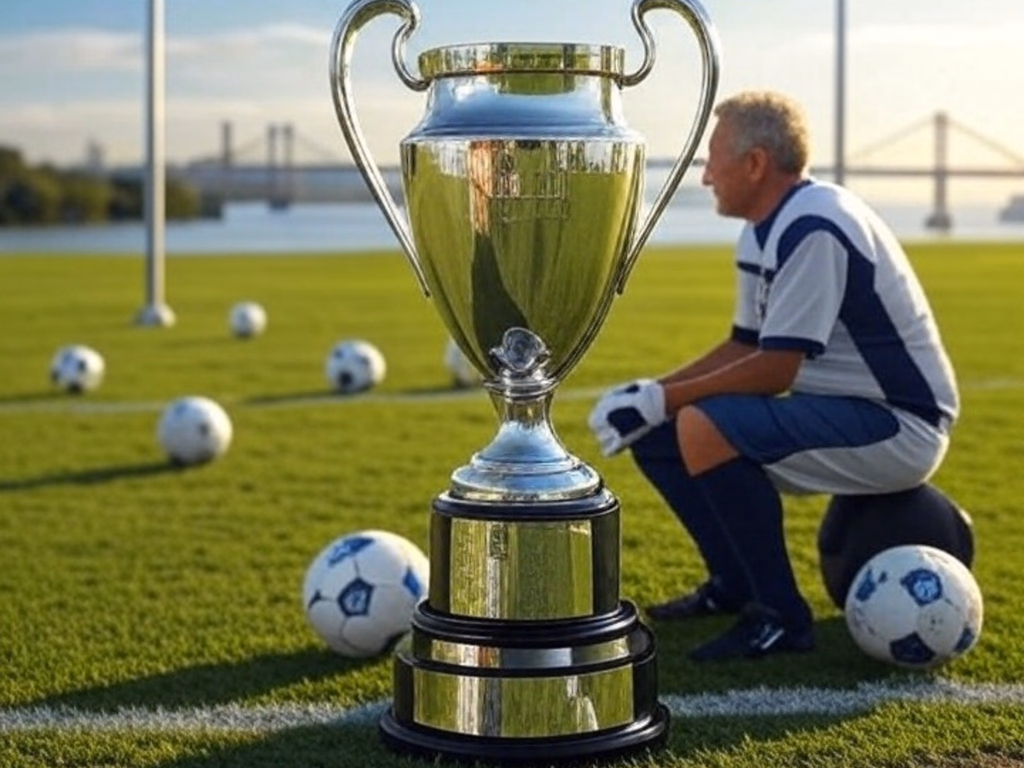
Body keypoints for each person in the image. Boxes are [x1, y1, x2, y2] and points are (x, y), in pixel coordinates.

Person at [587, 90, 959, 662]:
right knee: (662, 434)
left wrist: (665, 397)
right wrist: (654, 396)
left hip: (900, 426)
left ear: (756, 163)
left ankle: (782, 616)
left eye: (713, 158)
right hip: (846, 409)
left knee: (703, 425)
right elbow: (745, 344)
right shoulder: (766, 227)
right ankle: (734, 585)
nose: (706, 175)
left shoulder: (814, 226)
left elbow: (775, 370)